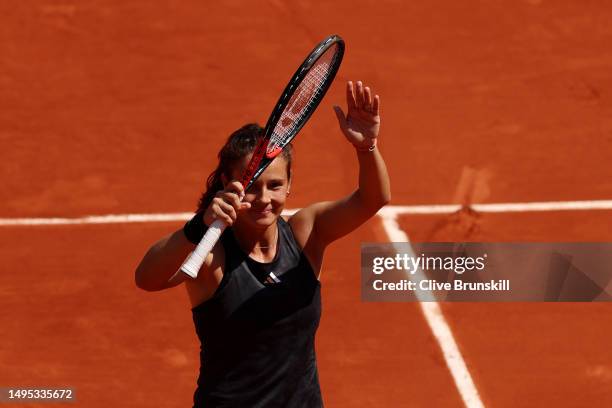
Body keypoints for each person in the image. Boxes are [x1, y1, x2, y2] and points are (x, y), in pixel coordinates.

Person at [135, 80, 390, 407]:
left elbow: (373, 199)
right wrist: (198, 226)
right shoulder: (214, 255)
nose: (264, 199)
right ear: (228, 184)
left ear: (289, 187)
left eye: (275, 186)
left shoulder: (305, 233)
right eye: (252, 186)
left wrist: (367, 147)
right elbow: (146, 278)